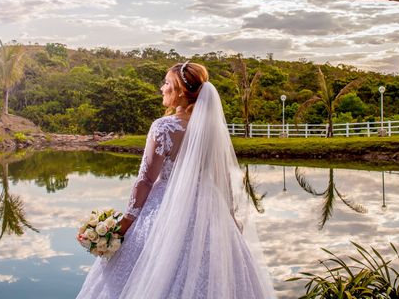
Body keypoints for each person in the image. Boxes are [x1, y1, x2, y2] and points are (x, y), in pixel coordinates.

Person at [76, 62, 274, 299]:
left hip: (165, 206)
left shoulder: (163, 127)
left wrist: (127, 220)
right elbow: (222, 178)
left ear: (180, 91)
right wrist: (230, 217)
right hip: (210, 208)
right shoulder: (213, 130)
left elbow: (146, 180)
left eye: (167, 83)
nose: (162, 88)